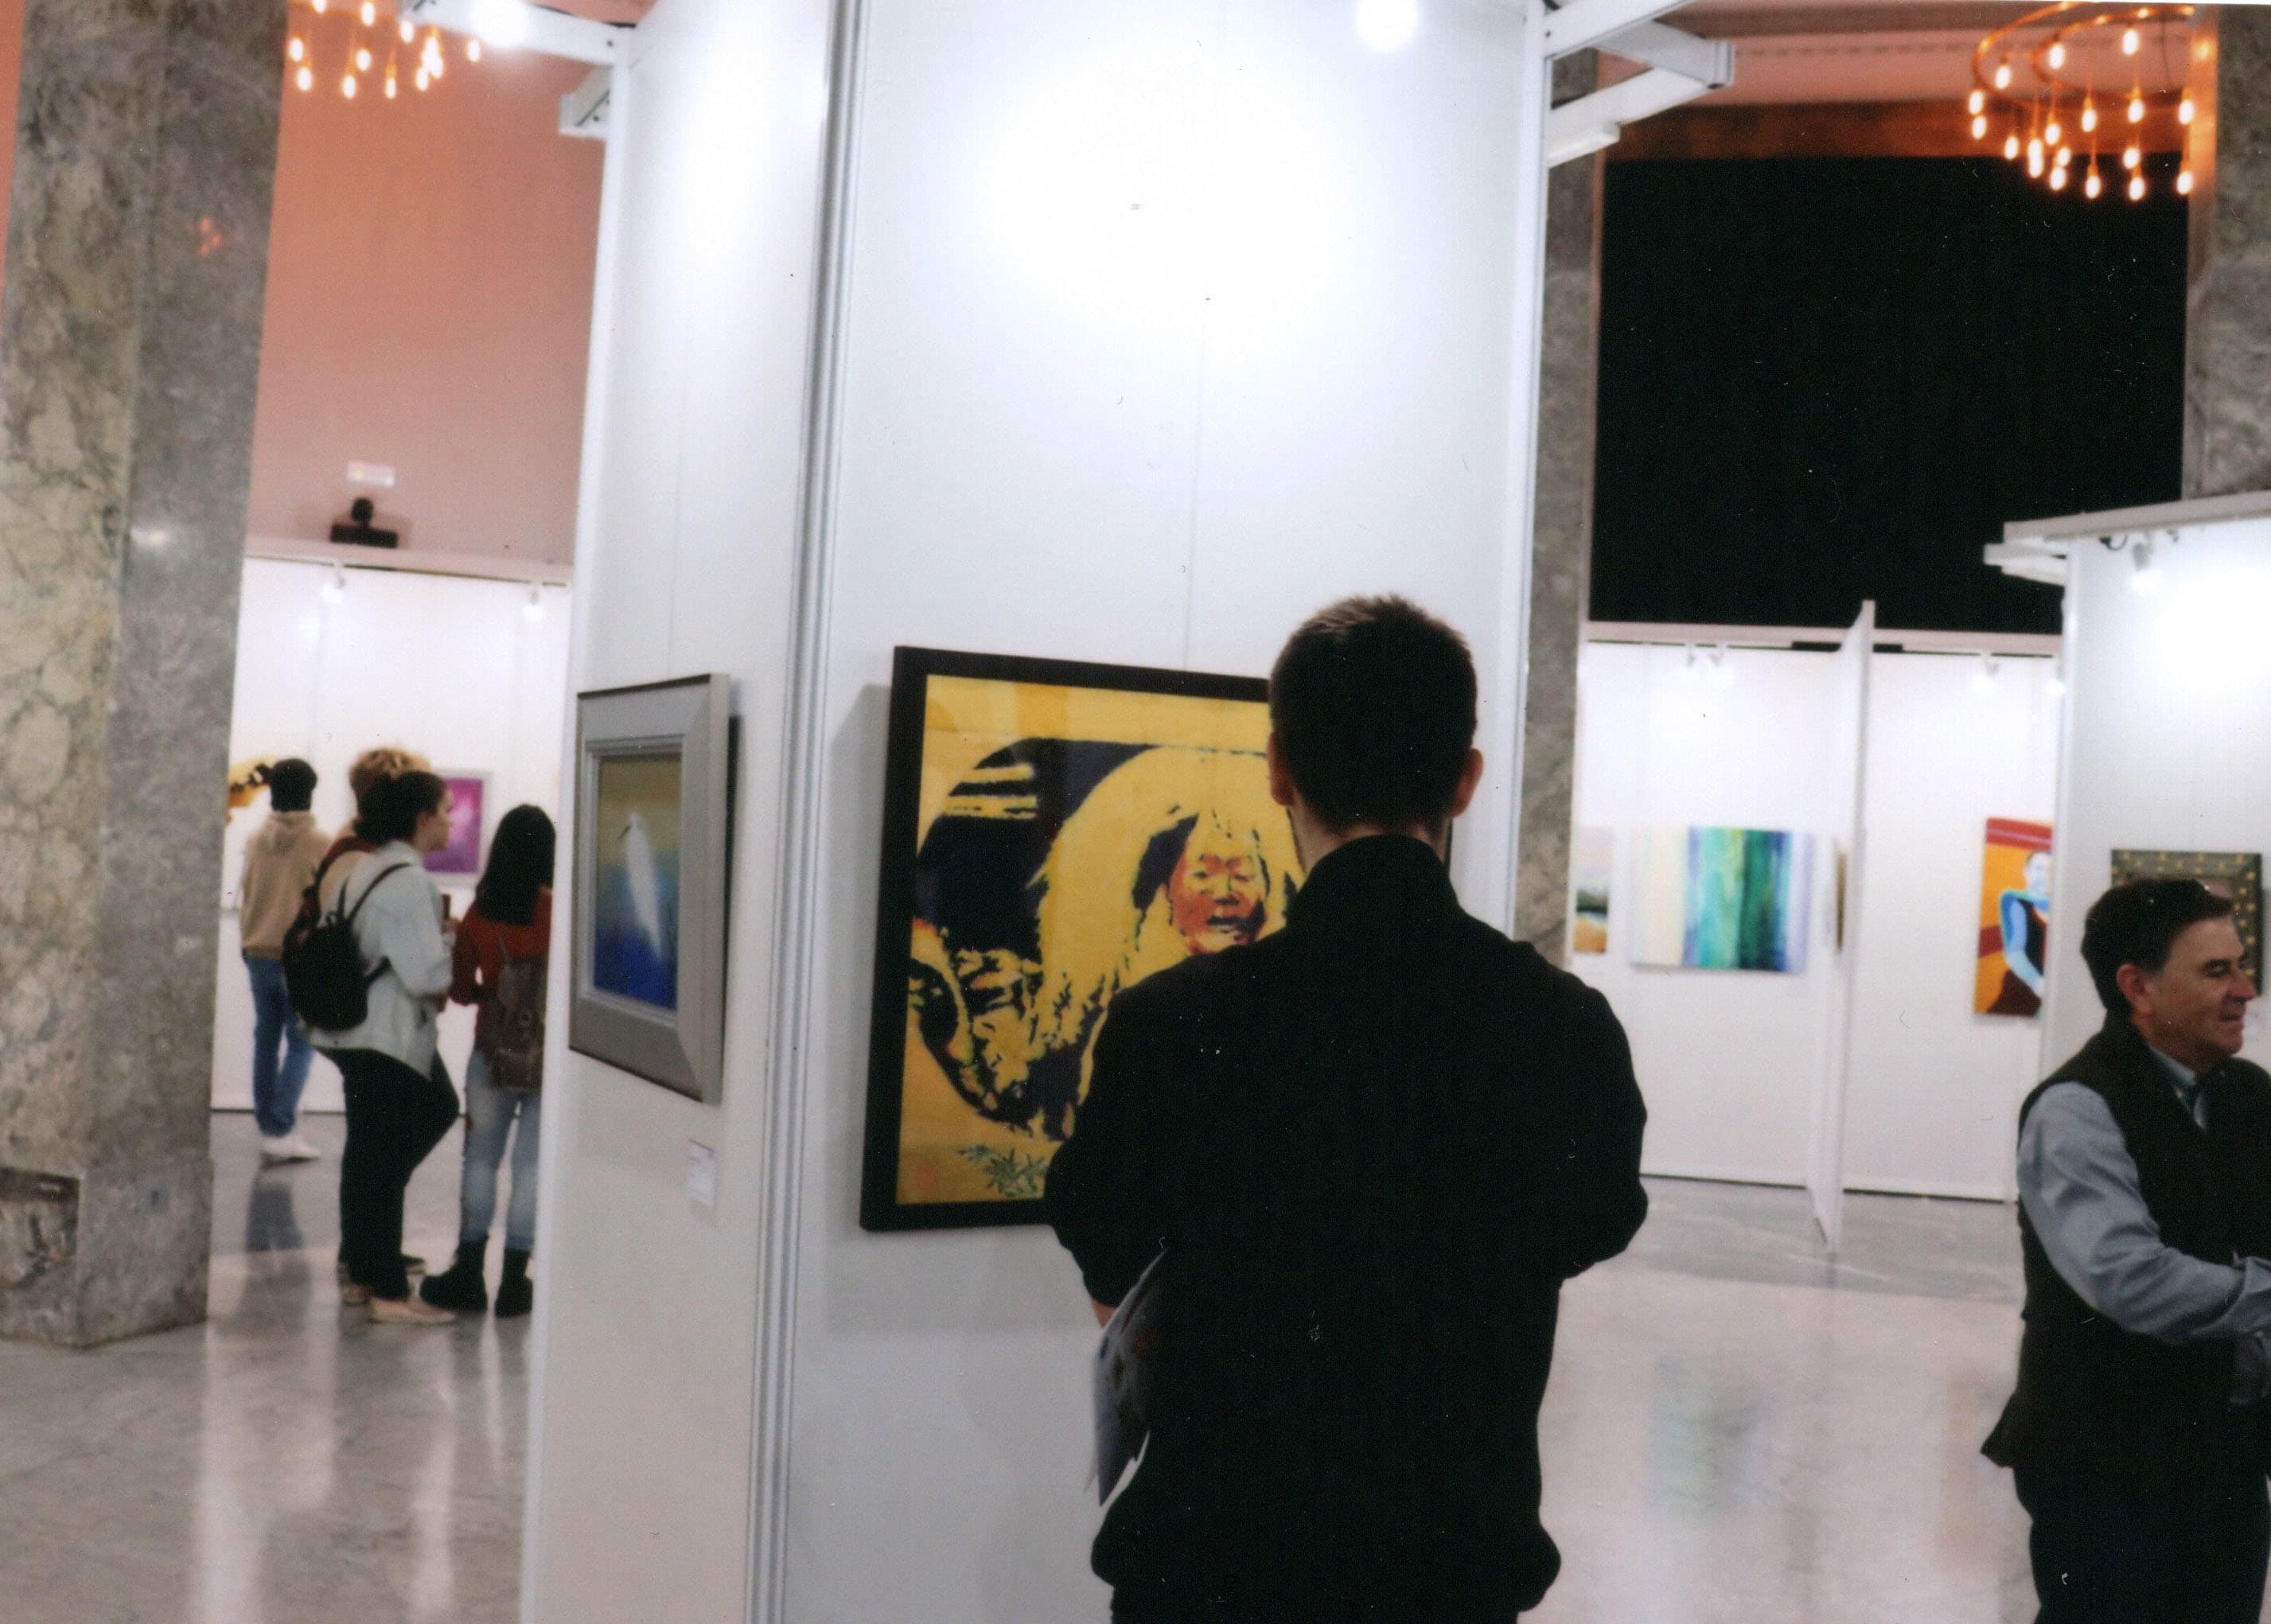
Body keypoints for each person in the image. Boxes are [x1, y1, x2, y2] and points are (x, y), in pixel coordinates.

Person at [1045, 595, 1650, 1623]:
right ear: (1464, 779)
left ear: (1278, 768)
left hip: (1213, 1571)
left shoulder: (1170, 1022)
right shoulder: (1562, 1028)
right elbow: (1591, 1221)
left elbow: (1106, 1248)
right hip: (1447, 1573)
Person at [1984, 878, 2271, 1622]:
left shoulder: (2248, 1095)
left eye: (2242, 965)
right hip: (2106, 1464)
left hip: (2227, 1456)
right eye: (2218, 971)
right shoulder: (2076, 1110)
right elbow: (2130, 1278)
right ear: (2138, 988)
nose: (2246, 989)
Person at [308, 770, 464, 1326]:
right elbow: (426, 974)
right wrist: (449, 940)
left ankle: (363, 1267)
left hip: (356, 1033)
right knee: (385, 1157)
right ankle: (389, 1292)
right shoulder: (409, 882)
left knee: (373, 1154)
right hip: (387, 1037)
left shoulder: (366, 869)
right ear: (422, 818)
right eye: (445, 811)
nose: (452, 822)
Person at [421, 805, 555, 1319]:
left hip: (492, 1054)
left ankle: (469, 1273)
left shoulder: (482, 913)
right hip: (547, 1061)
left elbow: (459, 989)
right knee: (532, 1166)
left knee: (480, 1160)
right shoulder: (561, 911)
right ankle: (515, 1283)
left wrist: (490, 995)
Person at [236, 757, 329, 1164]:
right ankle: (280, 1130)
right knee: (301, 1041)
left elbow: (245, 895)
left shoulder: (256, 839)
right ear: (310, 793)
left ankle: (268, 1126)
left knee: (267, 1038)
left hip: (257, 949)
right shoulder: (320, 843)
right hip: (299, 956)